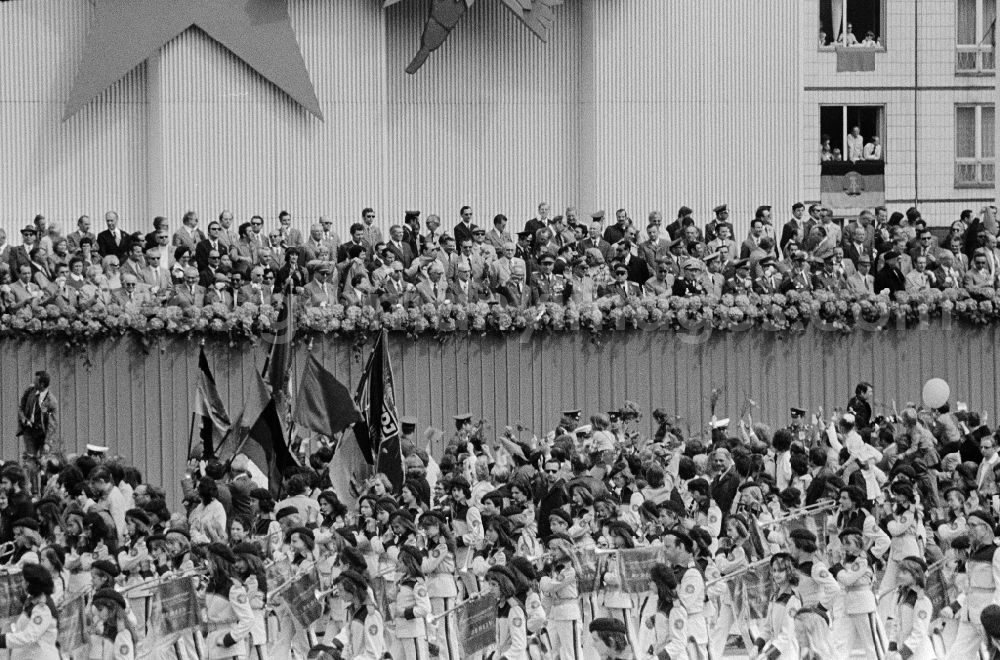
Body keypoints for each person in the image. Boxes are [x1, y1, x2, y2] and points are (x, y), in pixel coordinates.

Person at [0, 563, 59, 659]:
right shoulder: (32, 600)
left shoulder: (43, 608)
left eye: (24, 580)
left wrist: (2, 640)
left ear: (31, 583)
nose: (22, 583)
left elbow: (29, 636)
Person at [17, 370, 56, 466]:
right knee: (30, 460)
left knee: (42, 462)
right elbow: (21, 407)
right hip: (29, 431)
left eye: (36, 380)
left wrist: (47, 442)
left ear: (42, 384)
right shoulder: (30, 391)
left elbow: (52, 423)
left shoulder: (50, 401)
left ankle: (41, 479)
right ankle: (31, 479)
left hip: (42, 433)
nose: (33, 382)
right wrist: (23, 419)